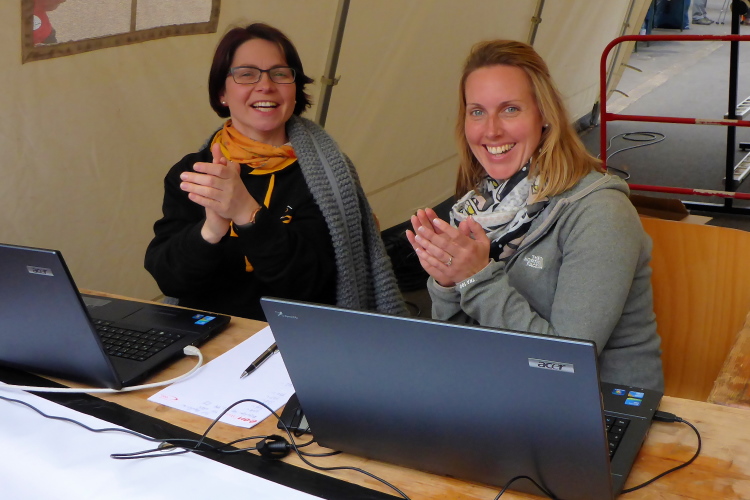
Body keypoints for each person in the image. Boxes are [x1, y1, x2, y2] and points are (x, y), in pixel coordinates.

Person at [406, 40, 664, 391]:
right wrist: (448, 283)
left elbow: (563, 363)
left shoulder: (600, 212)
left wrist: (475, 278)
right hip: (502, 390)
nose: (491, 130)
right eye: (477, 112)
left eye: (510, 109)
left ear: (544, 115)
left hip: (594, 403)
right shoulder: (478, 207)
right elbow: (454, 349)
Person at [145, 23, 406, 321]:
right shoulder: (195, 172)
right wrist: (211, 229)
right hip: (208, 338)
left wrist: (247, 214)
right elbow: (170, 280)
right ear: (222, 93)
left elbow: (310, 286)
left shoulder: (327, 175)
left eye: (280, 74)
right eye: (247, 74)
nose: (265, 85)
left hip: (295, 336)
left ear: (295, 90)